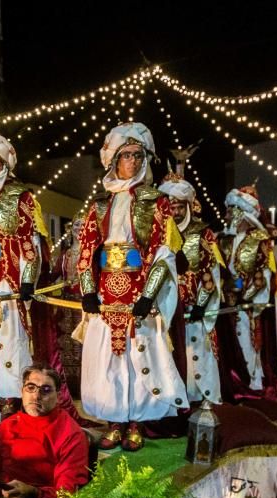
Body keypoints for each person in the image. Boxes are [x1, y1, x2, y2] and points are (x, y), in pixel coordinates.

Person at [76, 122, 186, 451]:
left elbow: (164, 253)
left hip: (139, 291)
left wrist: (149, 294)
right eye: (126, 156)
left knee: (140, 357)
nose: (133, 162)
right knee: (108, 359)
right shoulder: (98, 206)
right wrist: (87, 291)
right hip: (107, 292)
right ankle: (113, 421)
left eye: (139, 156)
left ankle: (136, 421)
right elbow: (85, 252)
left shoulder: (158, 203)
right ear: (114, 161)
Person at [0, 132, 47, 413]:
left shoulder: (21, 196)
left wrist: (27, 281)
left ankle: (14, 397)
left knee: (12, 340)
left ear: (6, 166)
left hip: (8, 280)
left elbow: (31, 243)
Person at [158, 172, 224, 404]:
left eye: (179, 207)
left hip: (194, 309)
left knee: (196, 356)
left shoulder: (203, 234)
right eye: (171, 207)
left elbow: (211, 274)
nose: (175, 212)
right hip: (166, 308)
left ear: (188, 205)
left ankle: (199, 401)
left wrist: (201, 303)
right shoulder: (159, 234)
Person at [0, 364, 89, 498]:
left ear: (59, 397)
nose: (36, 396)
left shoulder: (71, 434)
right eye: (31, 387)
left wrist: (35, 494)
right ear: (22, 391)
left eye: (46, 390)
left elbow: (66, 493)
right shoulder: (6, 426)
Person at [218, 185, 277, 392]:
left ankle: (251, 381)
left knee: (246, 341)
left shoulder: (259, 240)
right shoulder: (224, 240)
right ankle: (232, 381)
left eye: (233, 211)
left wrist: (246, 296)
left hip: (247, 304)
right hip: (224, 303)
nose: (228, 216)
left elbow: (264, 275)